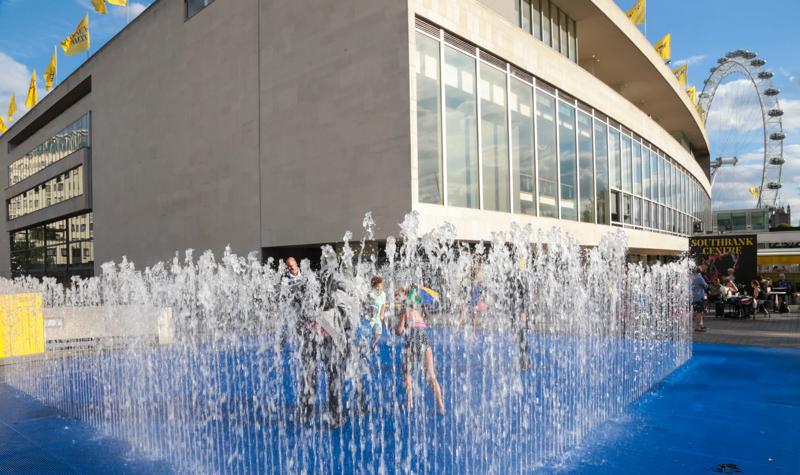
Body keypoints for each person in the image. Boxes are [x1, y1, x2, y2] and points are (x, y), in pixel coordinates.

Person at [395, 283, 445, 414]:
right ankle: (440, 405)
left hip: (411, 341)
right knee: (431, 375)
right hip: (424, 340)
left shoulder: (405, 309)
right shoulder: (420, 311)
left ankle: (409, 402)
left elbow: (399, 330)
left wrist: (397, 328)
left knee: (407, 372)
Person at [366, 276, 387, 349]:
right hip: (372, 315)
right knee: (368, 329)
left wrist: (382, 314)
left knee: (379, 333)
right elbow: (367, 303)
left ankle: (373, 344)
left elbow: (384, 305)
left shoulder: (383, 294)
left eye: (380, 286)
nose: (379, 288)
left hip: (378, 316)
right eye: (377, 287)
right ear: (373, 287)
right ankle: (365, 342)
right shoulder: (371, 293)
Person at [691, 265, 708, 332]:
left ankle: (700, 325)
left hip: (693, 297)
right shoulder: (699, 277)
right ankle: (697, 327)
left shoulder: (691, 277)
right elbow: (705, 286)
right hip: (699, 297)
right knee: (699, 312)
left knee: (697, 311)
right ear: (700, 271)